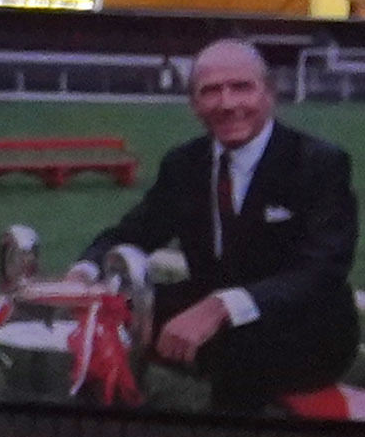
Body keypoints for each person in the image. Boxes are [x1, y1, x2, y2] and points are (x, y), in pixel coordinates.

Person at [90, 35, 362, 413]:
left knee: (240, 357)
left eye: (241, 87)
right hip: (210, 302)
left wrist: (221, 306)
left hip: (305, 325)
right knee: (108, 311)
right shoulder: (185, 163)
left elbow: (322, 269)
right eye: (211, 91)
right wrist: (85, 270)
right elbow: (136, 231)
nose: (228, 103)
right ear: (194, 104)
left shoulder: (318, 162)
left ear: (269, 94)